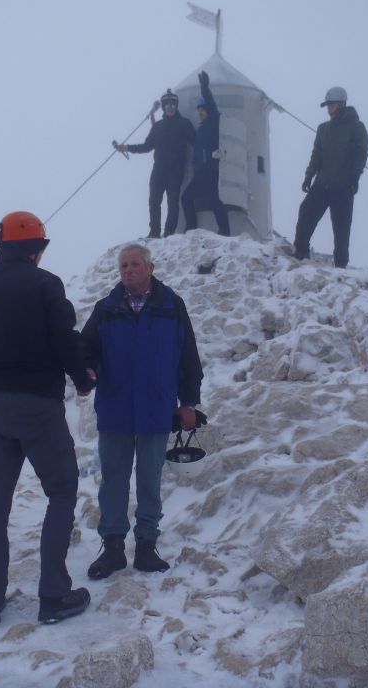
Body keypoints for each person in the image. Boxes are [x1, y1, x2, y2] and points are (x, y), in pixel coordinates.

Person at [0, 211, 96, 627]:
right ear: (37, 249)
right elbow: (65, 339)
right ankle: (53, 596)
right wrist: (82, 378)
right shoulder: (45, 284)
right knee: (62, 492)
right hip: (38, 405)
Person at [81, 243, 203, 579]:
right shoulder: (106, 308)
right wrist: (86, 373)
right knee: (113, 481)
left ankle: (147, 545)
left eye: (135, 264)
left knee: (150, 479)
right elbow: (86, 350)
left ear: (150, 267)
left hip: (155, 408)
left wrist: (188, 402)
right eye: (123, 266)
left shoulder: (171, 306)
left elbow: (188, 358)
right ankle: (113, 547)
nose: (128, 270)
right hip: (115, 407)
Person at [293, 86, 368, 268]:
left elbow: (361, 155)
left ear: (342, 104)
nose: (329, 108)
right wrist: (308, 176)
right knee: (305, 213)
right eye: (327, 105)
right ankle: (300, 254)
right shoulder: (323, 129)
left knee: (341, 229)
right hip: (322, 184)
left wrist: (353, 179)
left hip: (343, 187)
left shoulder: (357, 127)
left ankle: (341, 267)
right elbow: (316, 155)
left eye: (332, 104)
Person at [117, 89, 195, 238]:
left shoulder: (184, 124)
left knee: (173, 202)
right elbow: (146, 146)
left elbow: (196, 142)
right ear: (164, 108)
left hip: (176, 170)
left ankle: (169, 233)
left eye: (173, 105)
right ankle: (154, 232)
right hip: (159, 169)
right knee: (154, 201)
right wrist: (127, 147)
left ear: (176, 106)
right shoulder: (157, 126)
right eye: (167, 105)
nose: (170, 108)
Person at [182, 70, 230, 236]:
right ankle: (191, 229)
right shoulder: (200, 131)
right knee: (186, 198)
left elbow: (212, 105)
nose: (200, 112)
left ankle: (224, 230)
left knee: (215, 200)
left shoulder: (213, 123)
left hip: (211, 170)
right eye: (199, 110)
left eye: (203, 109)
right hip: (200, 173)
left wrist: (204, 88)